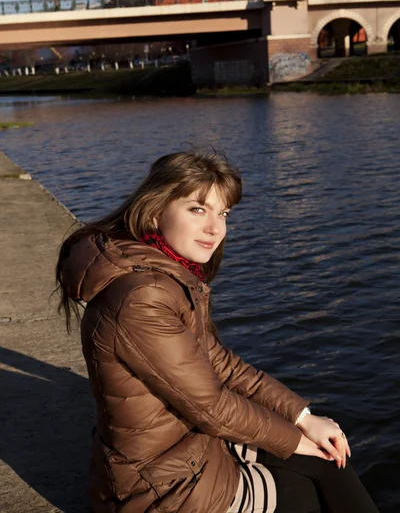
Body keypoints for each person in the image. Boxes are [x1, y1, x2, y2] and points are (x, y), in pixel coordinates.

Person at [56, 150, 379, 513]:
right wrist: (294, 441)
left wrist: (303, 418)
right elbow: (210, 407)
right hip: (161, 487)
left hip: (183, 448)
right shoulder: (142, 296)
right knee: (302, 495)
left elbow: (221, 363)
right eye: (198, 209)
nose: (216, 228)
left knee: (325, 459)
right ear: (154, 211)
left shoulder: (163, 273)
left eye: (222, 213)